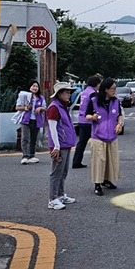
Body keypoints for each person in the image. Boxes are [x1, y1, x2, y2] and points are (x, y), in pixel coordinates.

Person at [86, 78, 124, 195]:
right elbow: (86, 115)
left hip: (112, 136)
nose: (114, 91)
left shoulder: (116, 101)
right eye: (113, 89)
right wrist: (92, 117)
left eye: (115, 89)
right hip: (98, 136)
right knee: (99, 161)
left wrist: (119, 124)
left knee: (110, 160)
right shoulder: (94, 100)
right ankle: (97, 184)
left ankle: (107, 180)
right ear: (106, 89)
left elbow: (119, 115)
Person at [46, 82, 78, 210]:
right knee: (56, 172)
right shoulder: (54, 107)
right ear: (59, 94)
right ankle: (52, 199)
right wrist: (56, 146)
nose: (69, 95)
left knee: (63, 171)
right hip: (59, 145)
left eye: (69, 92)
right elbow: (52, 129)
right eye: (66, 92)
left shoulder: (63, 106)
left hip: (65, 143)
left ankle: (60, 195)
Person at [72, 75, 102, 169]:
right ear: (96, 84)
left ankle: (76, 161)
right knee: (97, 141)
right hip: (89, 120)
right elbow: (95, 106)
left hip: (81, 119)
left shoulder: (84, 92)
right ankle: (98, 162)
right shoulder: (93, 93)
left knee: (82, 142)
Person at [16, 81, 46, 164]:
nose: (35, 88)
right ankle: (25, 156)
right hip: (26, 120)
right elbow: (17, 107)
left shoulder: (41, 98)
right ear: (29, 87)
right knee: (25, 138)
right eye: (33, 86)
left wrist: (40, 108)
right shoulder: (24, 96)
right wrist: (26, 107)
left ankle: (32, 155)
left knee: (34, 139)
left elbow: (45, 108)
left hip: (36, 120)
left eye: (36, 86)